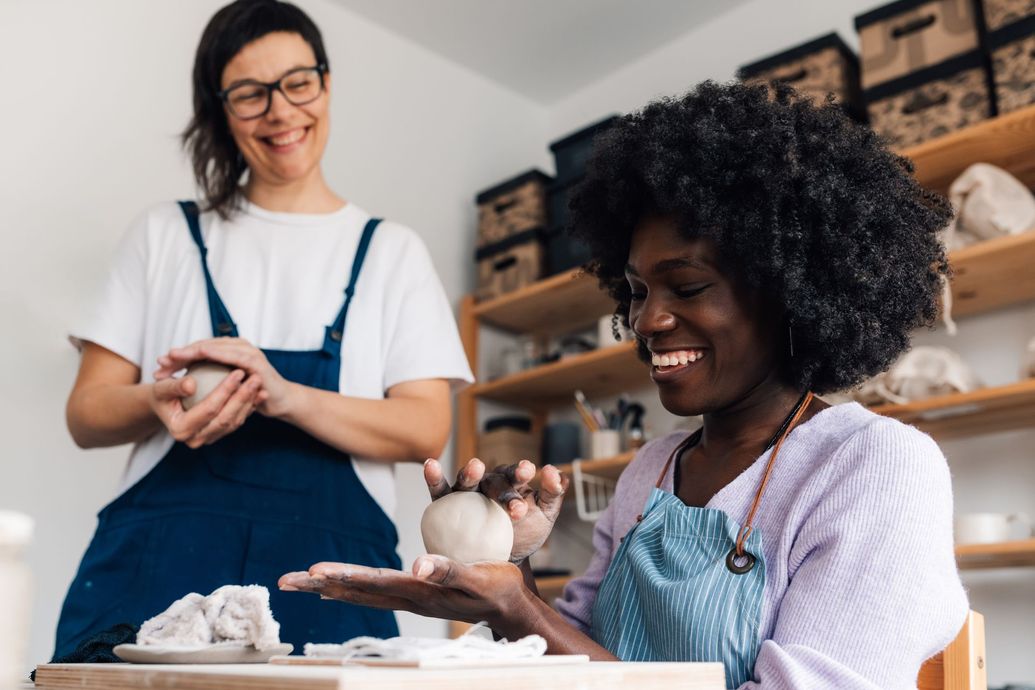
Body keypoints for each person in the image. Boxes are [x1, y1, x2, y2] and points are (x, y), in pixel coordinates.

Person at [279, 81, 969, 688]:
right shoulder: (651, 470)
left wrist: (518, 608)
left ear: (791, 289)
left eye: (687, 286)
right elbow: (577, 657)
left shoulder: (871, 468)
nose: (646, 319)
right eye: (636, 291)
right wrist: (502, 572)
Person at [56, 0, 472, 657]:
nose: (280, 111)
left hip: (326, 584)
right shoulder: (165, 234)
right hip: (155, 570)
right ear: (221, 109)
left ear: (326, 83)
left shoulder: (391, 251)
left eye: (297, 83)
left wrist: (286, 396)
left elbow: (425, 426)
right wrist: (159, 399)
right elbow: (86, 414)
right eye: (250, 94)